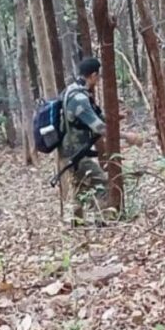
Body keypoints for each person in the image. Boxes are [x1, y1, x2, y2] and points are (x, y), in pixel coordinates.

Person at [59, 57, 108, 225]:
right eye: (98, 76)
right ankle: (100, 222)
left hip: (69, 151)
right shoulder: (79, 98)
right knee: (101, 181)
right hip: (76, 152)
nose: (99, 80)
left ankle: (76, 225)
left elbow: (90, 117)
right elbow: (98, 127)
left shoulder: (71, 91)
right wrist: (126, 136)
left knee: (79, 188)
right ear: (93, 75)